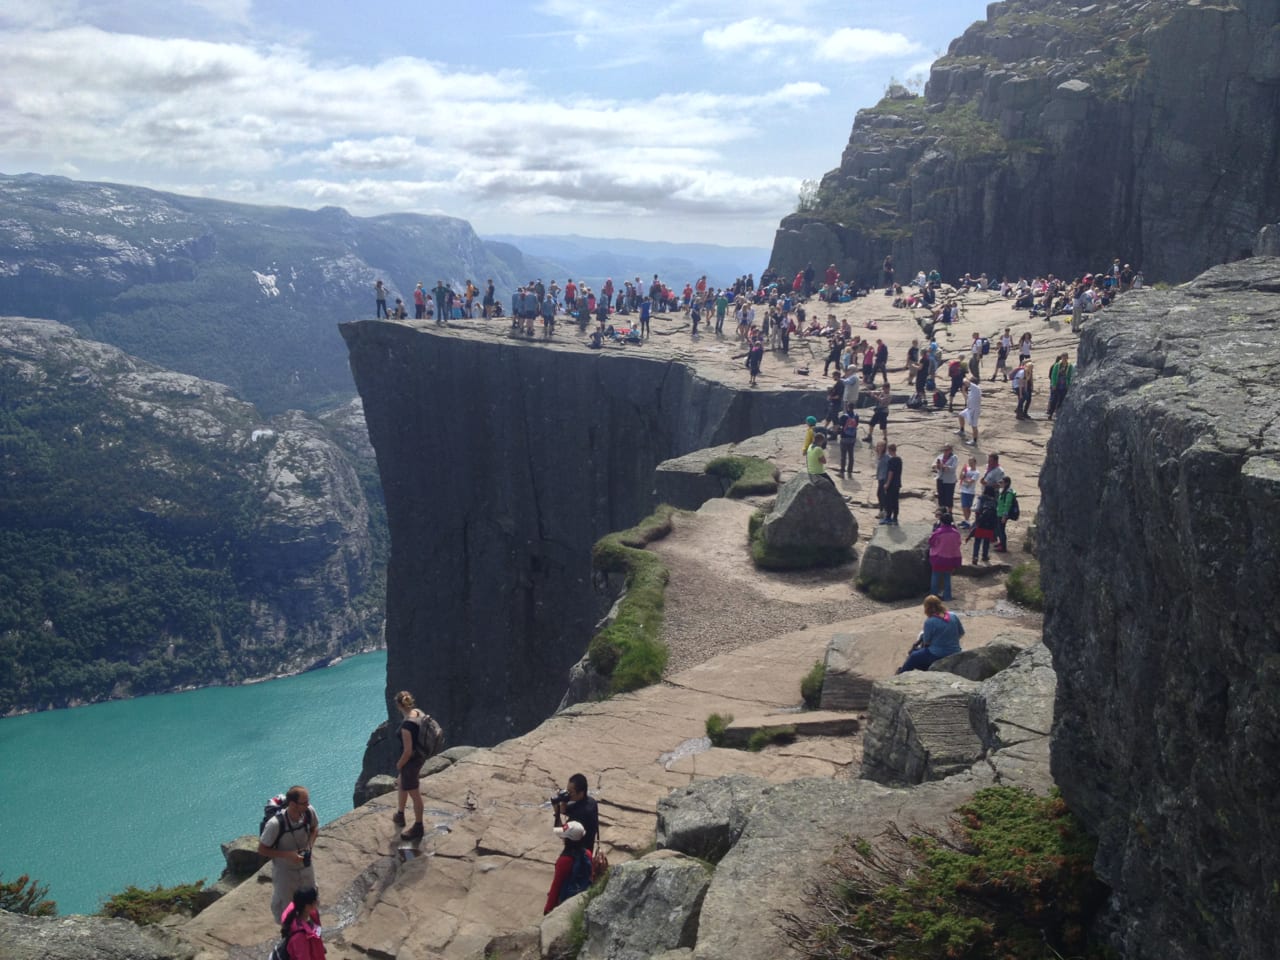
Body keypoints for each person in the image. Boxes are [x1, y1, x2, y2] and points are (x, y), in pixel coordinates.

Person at [258, 786, 319, 923]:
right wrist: (288, 855)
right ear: (292, 804)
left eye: (308, 801)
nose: (308, 805)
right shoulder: (275, 824)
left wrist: (309, 845)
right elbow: (262, 849)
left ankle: (311, 930)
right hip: (285, 871)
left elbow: (315, 828)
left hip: (305, 866)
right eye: (304, 803)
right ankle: (291, 935)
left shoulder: (309, 812)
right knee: (288, 905)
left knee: (311, 899)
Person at [544, 774, 599, 914]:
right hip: (586, 852)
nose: (568, 794)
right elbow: (568, 810)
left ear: (581, 792)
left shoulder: (581, 815)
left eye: (571, 792)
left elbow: (560, 831)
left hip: (574, 856)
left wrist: (557, 813)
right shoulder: (591, 803)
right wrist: (563, 803)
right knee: (582, 878)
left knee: (566, 880)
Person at [391, 690, 430, 839]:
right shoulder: (418, 712)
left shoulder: (407, 726)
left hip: (411, 762)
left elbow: (407, 751)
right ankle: (400, 814)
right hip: (420, 756)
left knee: (415, 794)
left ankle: (418, 827)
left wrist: (399, 764)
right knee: (402, 783)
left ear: (398, 705)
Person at [897, 595, 964, 673]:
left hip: (937, 653)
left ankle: (901, 673)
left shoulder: (930, 622)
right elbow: (961, 633)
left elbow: (926, 642)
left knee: (914, 656)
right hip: (955, 651)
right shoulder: (953, 615)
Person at [279, 887, 325, 960]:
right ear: (307, 906)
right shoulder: (299, 937)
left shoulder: (309, 914)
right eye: (315, 900)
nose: (318, 901)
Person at [928, 514, 963, 601]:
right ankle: (947, 596)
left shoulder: (938, 532)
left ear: (942, 521)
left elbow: (931, 542)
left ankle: (933, 597)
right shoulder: (956, 533)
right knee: (947, 577)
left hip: (938, 557)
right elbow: (958, 543)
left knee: (935, 576)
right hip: (951, 558)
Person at [966, 486, 999, 564]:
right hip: (990, 524)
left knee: (977, 541)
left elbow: (975, 509)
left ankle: (975, 557)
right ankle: (985, 556)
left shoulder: (981, 498)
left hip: (980, 522)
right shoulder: (995, 501)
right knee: (986, 541)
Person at [880, 443, 902, 525]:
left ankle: (888, 517)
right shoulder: (899, 459)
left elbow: (890, 472)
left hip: (892, 484)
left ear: (889, 450)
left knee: (888, 501)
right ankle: (895, 518)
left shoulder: (891, 460)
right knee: (895, 501)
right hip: (897, 483)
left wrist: (887, 483)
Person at [933, 444, 958, 512]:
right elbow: (933, 465)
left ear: (950, 450)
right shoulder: (940, 456)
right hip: (940, 479)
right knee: (940, 496)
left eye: (947, 450)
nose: (945, 451)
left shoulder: (954, 457)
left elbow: (952, 468)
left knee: (949, 498)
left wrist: (943, 466)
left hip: (949, 480)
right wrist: (937, 465)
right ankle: (941, 512)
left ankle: (949, 513)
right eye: (944, 449)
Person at [995, 476, 1017, 553]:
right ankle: (1001, 543)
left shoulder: (1008, 493)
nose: (1000, 484)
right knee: (999, 529)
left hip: (1002, 514)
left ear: (1006, 483)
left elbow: (1007, 504)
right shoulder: (1004, 491)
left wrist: (1004, 515)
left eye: (1002, 482)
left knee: (1001, 530)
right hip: (999, 513)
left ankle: (1003, 547)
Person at [957, 377, 982, 445]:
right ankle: (962, 430)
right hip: (969, 409)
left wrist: (963, 377)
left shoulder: (976, 388)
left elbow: (965, 381)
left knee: (974, 425)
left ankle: (974, 441)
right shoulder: (972, 391)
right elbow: (967, 398)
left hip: (975, 410)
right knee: (960, 415)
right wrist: (963, 390)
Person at [958, 455, 981, 528]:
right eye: (969, 462)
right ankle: (966, 520)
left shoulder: (976, 472)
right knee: (964, 506)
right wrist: (962, 471)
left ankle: (967, 521)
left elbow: (970, 481)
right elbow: (960, 477)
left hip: (970, 491)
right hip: (964, 490)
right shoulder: (967, 469)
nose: (970, 463)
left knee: (967, 507)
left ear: (975, 462)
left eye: (971, 462)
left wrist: (964, 478)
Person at [837, 403, 859, 477]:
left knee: (843, 456)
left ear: (847, 407)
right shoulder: (856, 416)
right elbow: (856, 425)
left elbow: (839, 425)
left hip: (844, 437)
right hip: (852, 437)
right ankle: (850, 471)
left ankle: (842, 472)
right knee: (851, 455)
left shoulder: (844, 416)